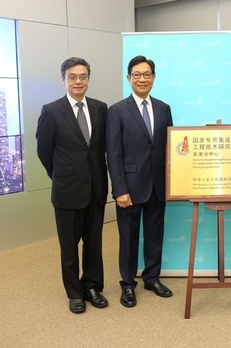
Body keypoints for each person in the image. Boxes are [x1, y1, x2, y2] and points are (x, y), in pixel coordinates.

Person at [36, 57, 109, 314]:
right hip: (67, 190)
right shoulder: (52, 110)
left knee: (94, 243)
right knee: (69, 246)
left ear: (88, 79)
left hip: (96, 189)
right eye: (72, 77)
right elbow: (44, 151)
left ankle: (92, 287)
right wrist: (60, 176)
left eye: (83, 76)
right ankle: (74, 292)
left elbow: (101, 148)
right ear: (64, 80)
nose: (78, 81)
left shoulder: (101, 108)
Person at [106, 55, 173, 308]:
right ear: (128, 78)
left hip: (157, 186)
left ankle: (152, 278)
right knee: (129, 238)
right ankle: (128, 284)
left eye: (147, 74)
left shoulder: (164, 108)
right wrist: (119, 189)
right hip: (129, 189)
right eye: (137, 74)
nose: (142, 79)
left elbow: (169, 149)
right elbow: (113, 153)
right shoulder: (117, 110)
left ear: (153, 78)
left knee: (155, 235)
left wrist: (171, 183)